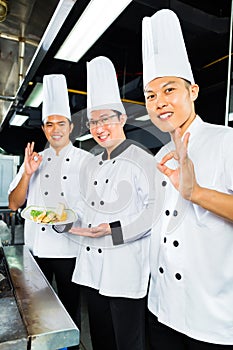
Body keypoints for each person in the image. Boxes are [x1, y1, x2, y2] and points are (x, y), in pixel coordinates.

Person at [142, 8, 233, 350]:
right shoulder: (160, 156)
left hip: (211, 319)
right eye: (151, 96)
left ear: (192, 91)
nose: (159, 103)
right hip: (162, 309)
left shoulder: (226, 141)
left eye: (169, 90)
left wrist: (195, 192)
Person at [68, 56, 156, 350]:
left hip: (124, 271)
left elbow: (153, 214)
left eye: (106, 119)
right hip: (92, 271)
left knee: (127, 344)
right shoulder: (91, 164)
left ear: (122, 119)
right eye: (94, 121)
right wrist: (62, 222)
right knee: (101, 340)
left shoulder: (143, 160)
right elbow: (82, 209)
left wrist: (113, 230)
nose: (99, 127)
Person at [8, 74, 92, 350]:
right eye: (49, 124)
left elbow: (94, 208)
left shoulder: (86, 162)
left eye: (61, 123)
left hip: (70, 250)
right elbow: (13, 204)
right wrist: (27, 174)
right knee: (36, 311)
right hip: (37, 249)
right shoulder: (34, 160)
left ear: (71, 126)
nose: (55, 129)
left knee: (68, 310)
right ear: (44, 128)